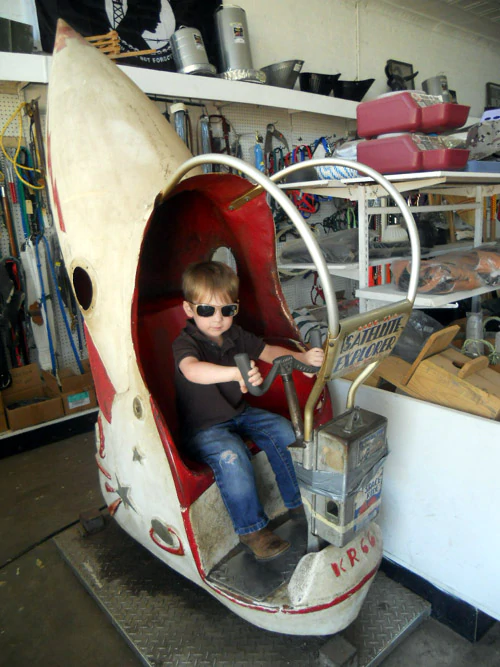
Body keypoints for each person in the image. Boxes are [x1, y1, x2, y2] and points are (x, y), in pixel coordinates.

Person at [172, 261, 324, 561]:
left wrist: (301, 357)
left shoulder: (235, 335)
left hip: (238, 413)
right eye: (207, 310)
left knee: (283, 430)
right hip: (205, 427)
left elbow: (268, 351)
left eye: (226, 311)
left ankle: (298, 503)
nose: (217, 319)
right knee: (232, 456)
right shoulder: (185, 343)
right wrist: (233, 374)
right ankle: (252, 530)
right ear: (189, 310)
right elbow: (191, 370)